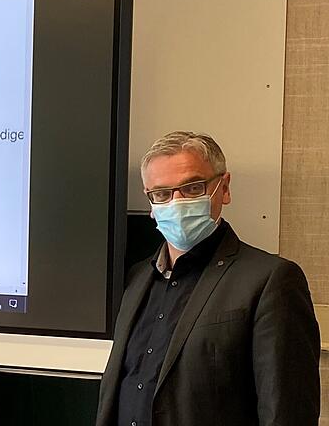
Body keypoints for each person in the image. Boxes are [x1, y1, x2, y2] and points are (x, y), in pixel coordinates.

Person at [96, 131, 321, 426]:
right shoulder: (138, 278)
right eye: (162, 194)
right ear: (151, 203)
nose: (176, 203)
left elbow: (287, 413)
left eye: (192, 188)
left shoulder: (271, 281)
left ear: (223, 188)